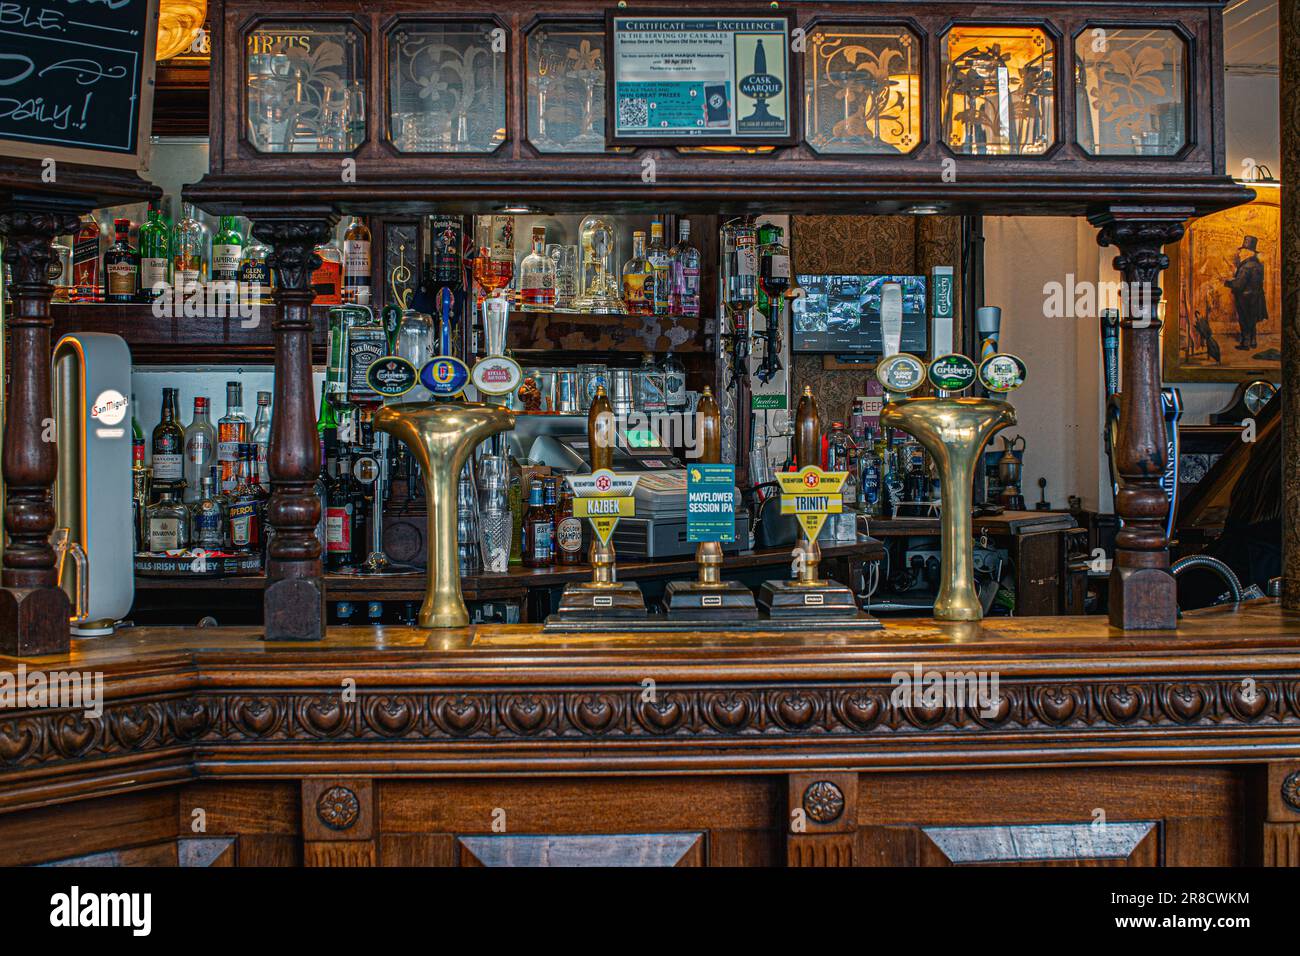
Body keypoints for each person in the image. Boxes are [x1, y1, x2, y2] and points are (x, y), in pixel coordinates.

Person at [1223, 235, 1266, 350]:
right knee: (1252, 320)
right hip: (1256, 297)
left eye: (1242, 251)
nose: (1240, 254)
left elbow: (1239, 285)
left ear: (1248, 253)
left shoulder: (1246, 267)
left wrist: (1226, 282)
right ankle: (1253, 342)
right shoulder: (1258, 265)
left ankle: (1245, 344)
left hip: (1245, 298)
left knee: (1244, 320)